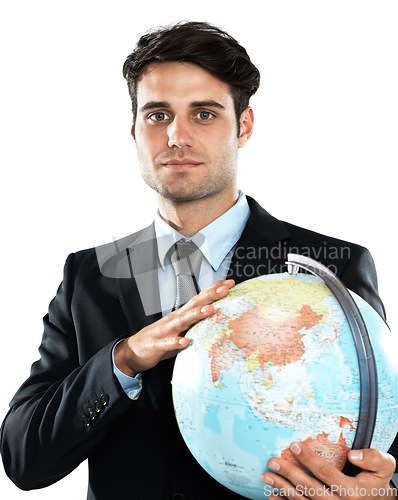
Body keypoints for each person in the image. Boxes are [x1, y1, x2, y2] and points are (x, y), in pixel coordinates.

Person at [1, 21, 396, 500]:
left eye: (204, 114)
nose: (176, 136)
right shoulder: (90, 276)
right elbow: (24, 458)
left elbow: (384, 429)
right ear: (134, 130)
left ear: (243, 126)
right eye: (157, 114)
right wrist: (124, 359)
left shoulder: (330, 266)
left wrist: (383, 490)